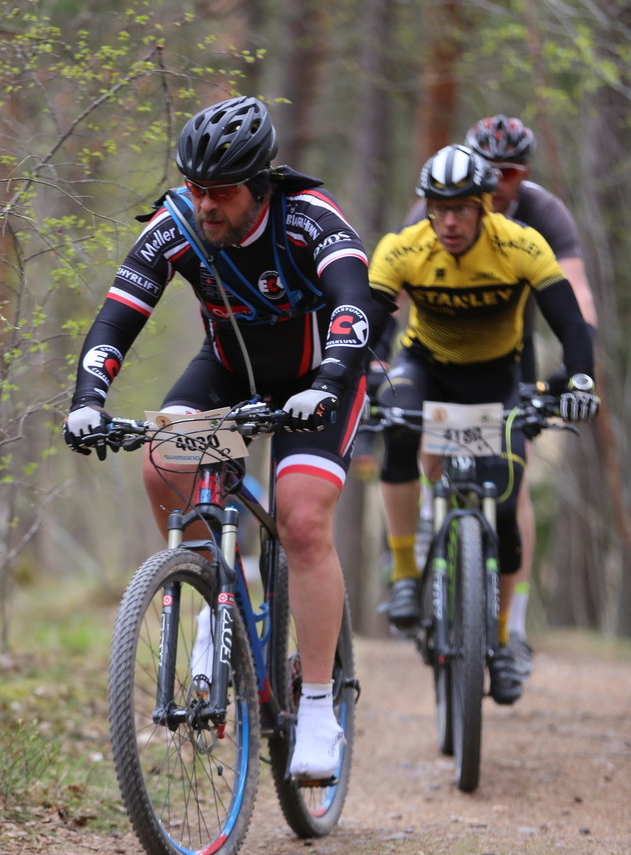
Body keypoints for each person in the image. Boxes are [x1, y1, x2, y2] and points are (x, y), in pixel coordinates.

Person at [63, 96, 372, 780]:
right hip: (229, 370)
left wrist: (324, 383)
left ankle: (318, 705)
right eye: (197, 188)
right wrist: (89, 400)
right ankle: (211, 597)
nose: (206, 206)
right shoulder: (177, 222)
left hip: (321, 375)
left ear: (260, 185)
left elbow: (355, 302)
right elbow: (117, 320)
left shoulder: (308, 219)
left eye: (222, 193)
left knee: (300, 518)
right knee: (159, 465)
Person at [366, 143, 598, 705]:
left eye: (461, 209)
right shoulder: (403, 248)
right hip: (426, 368)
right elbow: (367, 329)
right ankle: (403, 574)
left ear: (485, 207)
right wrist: (369, 376)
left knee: (507, 507)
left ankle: (499, 642)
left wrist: (580, 382)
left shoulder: (520, 245)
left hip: (499, 376)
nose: (447, 221)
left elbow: (570, 323)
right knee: (396, 424)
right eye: (437, 208)